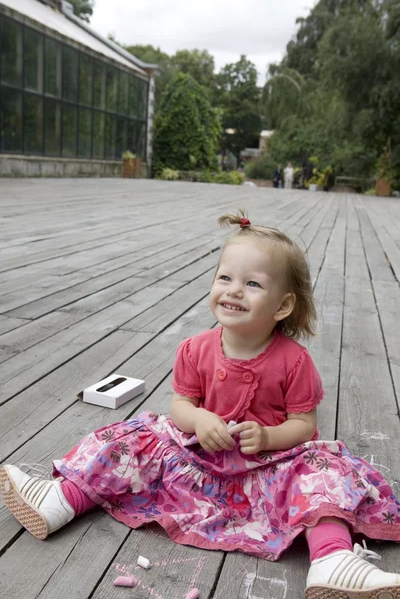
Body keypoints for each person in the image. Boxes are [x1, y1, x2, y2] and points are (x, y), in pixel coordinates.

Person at [1, 212, 400, 598]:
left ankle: (332, 560)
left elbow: (304, 426)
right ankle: (64, 499)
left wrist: (266, 435)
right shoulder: (195, 349)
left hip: (269, 471)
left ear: (282, 307)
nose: (233, 290)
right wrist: (200, 418)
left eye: (253, 284)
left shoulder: (294, 360)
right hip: (197, 462)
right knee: (134, 439)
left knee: (325, 471)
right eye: (224, 277)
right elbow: (180, 407)